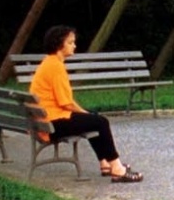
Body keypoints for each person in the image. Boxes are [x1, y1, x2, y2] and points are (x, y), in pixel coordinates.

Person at [27, 25, 142, 182]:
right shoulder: (55, 67)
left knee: (93, 120)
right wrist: (85, 113)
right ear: (59, 44)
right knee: (100, 122)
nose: (74, 45)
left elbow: (65, 101)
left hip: (45, 121)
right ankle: (117, 168)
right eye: (70, 42)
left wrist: (86, 114)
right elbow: (66, 103)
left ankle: (105, 163)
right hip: (51, 124)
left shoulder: (49, 63)